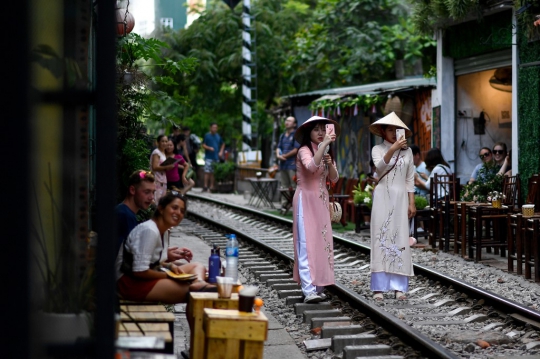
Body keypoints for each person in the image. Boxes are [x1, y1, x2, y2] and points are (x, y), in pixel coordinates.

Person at [115, 192, 215, 303]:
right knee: (195, 294)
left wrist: (170, 265)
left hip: (143, 275)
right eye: (174, 208)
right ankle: (198, 287)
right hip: (129, 283)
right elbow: (139, 271)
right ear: (161, 209)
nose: (178, 213)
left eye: (182, 211)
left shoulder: (164, 231)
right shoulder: (150, 231)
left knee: (197, 266)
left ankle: (199, 282)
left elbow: (151, 261)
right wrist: (168, 276)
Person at [292, 116, 339, 303]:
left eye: (323, 129)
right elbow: (311, 167)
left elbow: (334, 179)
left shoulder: (327, 151)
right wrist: (322, 148)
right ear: (308, 133)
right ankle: (308, 289)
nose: (320, 133)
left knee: (321, 243)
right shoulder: (303, 150)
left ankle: (318, 287)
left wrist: (329, 162)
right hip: (305, 200)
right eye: (316, 130)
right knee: (306, 244)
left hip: (321, 202)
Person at [369, 112, 415, 301]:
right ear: (382, 131)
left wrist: (412, 201)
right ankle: (379, 287)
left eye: (398, 130)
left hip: (400, 197)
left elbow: (409, 178)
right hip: (382, 196)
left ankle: (399, 288)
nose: (395, 133)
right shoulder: (377, 149)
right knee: (381, 238)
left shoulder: (408, 152)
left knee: (399, 238)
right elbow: (379, 167)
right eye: (390, 130)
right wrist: (393, 148)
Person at [116, 170, 195, 263]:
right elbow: (129, 258)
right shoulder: (123, 215)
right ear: (132, 190)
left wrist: (164, 252)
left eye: (153, 192)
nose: (151, 197)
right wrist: (164, 255)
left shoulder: (128, 213)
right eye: (147, 192)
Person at [276, 116, 300, 213]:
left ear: (294, 124)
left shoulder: (296, 135)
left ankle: (296, 206)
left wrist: (285, 156)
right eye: (286, 120)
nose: (287, 122)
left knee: (294, 186)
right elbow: (278, 147)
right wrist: (278, 155)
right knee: (284, 186)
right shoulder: (282, 135)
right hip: (283, 165)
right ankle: (284, 205)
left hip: (292, 165)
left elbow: (296, 149)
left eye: (289, 121)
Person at [151, 135, 176, 202]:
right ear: (158, 142)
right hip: (157, 179)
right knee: (156, 200)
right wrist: (167, 167)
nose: (165, 143)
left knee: (161, 201)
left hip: (162, 179)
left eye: (166, 141)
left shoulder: (163, 153)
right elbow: (155, 167)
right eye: (162, 141)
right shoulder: (156, 152)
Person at [202, 123, 225, 192]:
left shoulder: (218, 136)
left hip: (216, 157)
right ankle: (205, 186)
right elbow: (203, 145)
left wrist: (221, 152)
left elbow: (223, 144)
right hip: (208, 156)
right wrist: (209, 148)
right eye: (213, 127)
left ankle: (212, 186)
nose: (214, 129)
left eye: (216, 127)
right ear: (210, 128)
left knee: (213, 172)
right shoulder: (207, 135)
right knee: (207, 171)